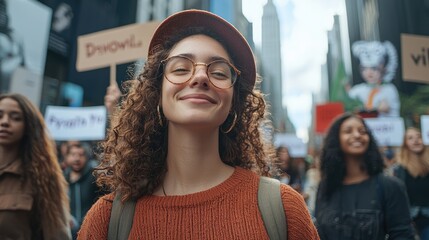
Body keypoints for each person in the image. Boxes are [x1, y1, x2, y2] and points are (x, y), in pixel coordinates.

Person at [78, 9, 319, 239]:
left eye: (219, 73)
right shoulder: (107, 219)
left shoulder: (283, 208)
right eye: (181, 68)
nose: (201, 77)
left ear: (233, 103)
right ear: (156, 94)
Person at [315, 113, 414, 239]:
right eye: (348, 131)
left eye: (362, 131)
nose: (357, 135)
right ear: (336, 139)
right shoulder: (325, 188)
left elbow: (402, 235)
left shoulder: (391, 187)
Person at [0, 93, 71, 239]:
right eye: (0, 115)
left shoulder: (42, 177)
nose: (5, 122)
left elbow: (58, 235)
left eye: (15, 118)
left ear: (28, 126)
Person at [347, 40, 400, 117]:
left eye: (374, 68)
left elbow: (393, 113)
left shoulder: (390, 89)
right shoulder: (357, 90)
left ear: (383, 69)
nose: (369, 73)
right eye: (364, 69)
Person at [395, 127, 429, 240]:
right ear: (406, 144)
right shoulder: (399, 169)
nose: (416, 140)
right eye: (410, 138)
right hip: (407, 221)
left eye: (418, 136)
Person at [64, 141, 101, 239]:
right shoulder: (61, 180)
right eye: (73, 154)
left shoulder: (94, 179)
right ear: (66, 157)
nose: (76, 158)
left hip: (90, 232)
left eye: (81, 155)